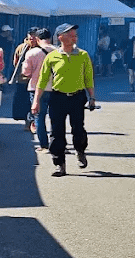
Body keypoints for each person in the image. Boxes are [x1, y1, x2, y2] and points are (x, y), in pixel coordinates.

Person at [32, 23, 96, 177]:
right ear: (60, 37)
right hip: (58, 98)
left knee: (78, 129)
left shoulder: (83, 55)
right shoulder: (52, 57)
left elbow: (88, 78)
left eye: (75, 35)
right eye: (71, 35)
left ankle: (80, 151)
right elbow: (42, 80)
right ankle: (59, 164)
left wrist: (92, 97)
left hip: (77, 97)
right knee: (56, 132)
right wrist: (36, 101)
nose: (75, 37)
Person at [22, 28, 55, 153]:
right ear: (50, 38)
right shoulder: (58, 51)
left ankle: (43, 144)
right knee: (55, 117)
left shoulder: (32, 53)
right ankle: (55, 142)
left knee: (39, 117)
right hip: (55, 88)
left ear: (37, 39)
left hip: (35, 88)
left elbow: (26, 72)